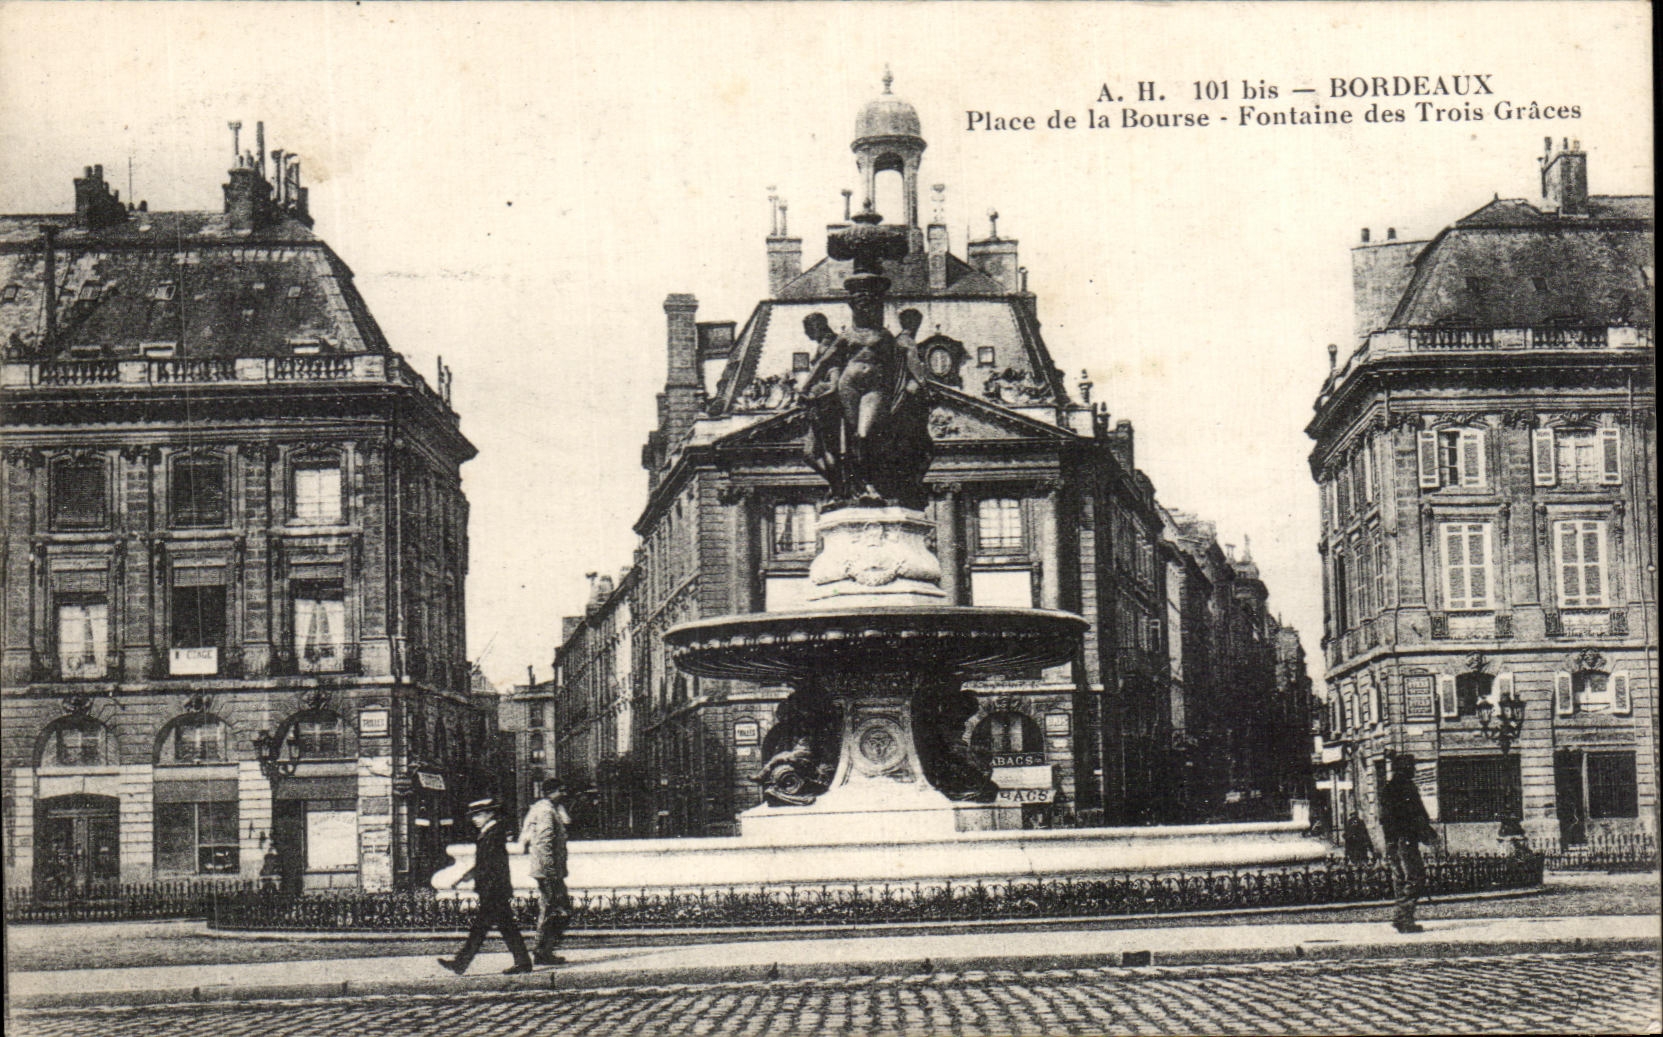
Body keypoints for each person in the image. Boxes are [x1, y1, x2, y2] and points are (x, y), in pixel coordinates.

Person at [438, 797, 534, 975]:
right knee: (503, 927)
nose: (474, 818)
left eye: (478, 815)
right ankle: (522, 962)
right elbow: (484, 862)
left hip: (493, 889)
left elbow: (491, 864)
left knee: (482, 929)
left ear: (490, 814)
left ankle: (461, 963)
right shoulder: (488, 832)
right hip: (493, 888)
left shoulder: (494, 833)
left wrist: (483, 883)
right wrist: (465, 877)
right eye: (473, 815)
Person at [1379, 753, 1440, 933]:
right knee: (1416, 876)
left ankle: (1401, 918)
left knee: (1399, 878)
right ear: (1406, 769)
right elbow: (1416, 815)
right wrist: (1428, 834)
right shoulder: (1406, 788)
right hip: (1405, 839)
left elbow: (1385, 818)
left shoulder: (1388, 788)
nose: (1414, 770)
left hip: (1391, 840)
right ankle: (1404, 918)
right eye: (1411, 767)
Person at [517, 778, 572, 965]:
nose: (564, 794)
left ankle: (544, 949)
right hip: (548, 871)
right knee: (552, 909)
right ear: (551, 792)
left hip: (549, 870)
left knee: (557, 908)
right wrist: (550, 872)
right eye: (561, 790)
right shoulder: (546, 811)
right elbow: (544, 843)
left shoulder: (550, 809)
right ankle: (542, 951)